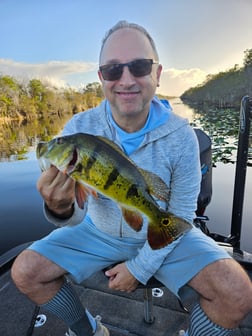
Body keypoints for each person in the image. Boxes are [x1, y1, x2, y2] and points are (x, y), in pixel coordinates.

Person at [11, 20, 252, 336]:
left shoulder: (181, 136)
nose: (126, 79)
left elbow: (178, 217)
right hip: (97, 230)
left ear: (157, 73)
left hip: (166, 230)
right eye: (113, 70)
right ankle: (88, 331)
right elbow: (75, 216)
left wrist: (139, 269)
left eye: (139, 66)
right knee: (26, 271)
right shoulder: (79, 130)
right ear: (101, 79)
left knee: (238, 292)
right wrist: (59, 209)